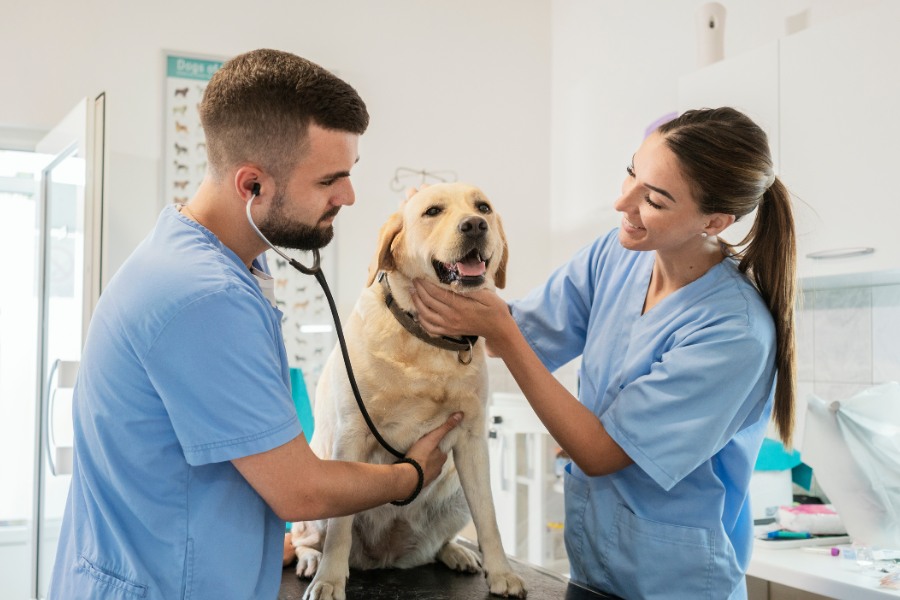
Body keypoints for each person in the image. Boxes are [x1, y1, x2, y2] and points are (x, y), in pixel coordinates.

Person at [49, 48, 461, 600]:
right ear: (252, 186)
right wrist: (411, 475)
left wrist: (260, 540)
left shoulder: (219, 258)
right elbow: (301, 491)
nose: (349, 197)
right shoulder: (203, 297)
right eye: (329, 181)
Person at [411, 107, 797, 600]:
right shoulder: (614, 256)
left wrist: (502, 332)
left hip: (675, 584)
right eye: (632, 171)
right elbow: (508, 332)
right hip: (593, 569)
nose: (622, 202)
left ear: (715, 220)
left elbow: (599, 453)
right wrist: (426, 240)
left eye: (653, 199)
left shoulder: (733, 331)